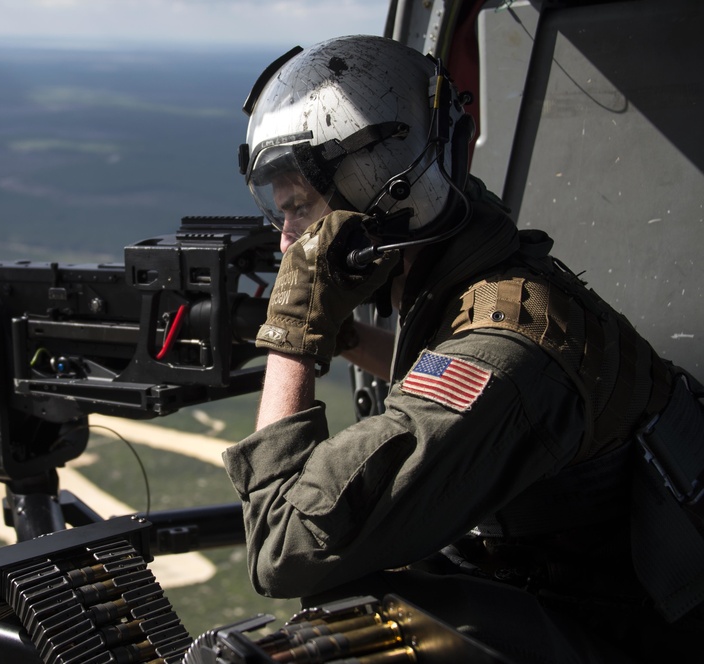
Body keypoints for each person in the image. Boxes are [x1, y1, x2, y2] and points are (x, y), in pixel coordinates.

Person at [221, 35, 704, 663]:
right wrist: (350, 339)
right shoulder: (494, 280)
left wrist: (294, 333)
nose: (287, 243)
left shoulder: (507, 353)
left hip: (625, 636)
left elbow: (283, 549)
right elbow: (443, 381)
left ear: (382, 192)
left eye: (298, 211)